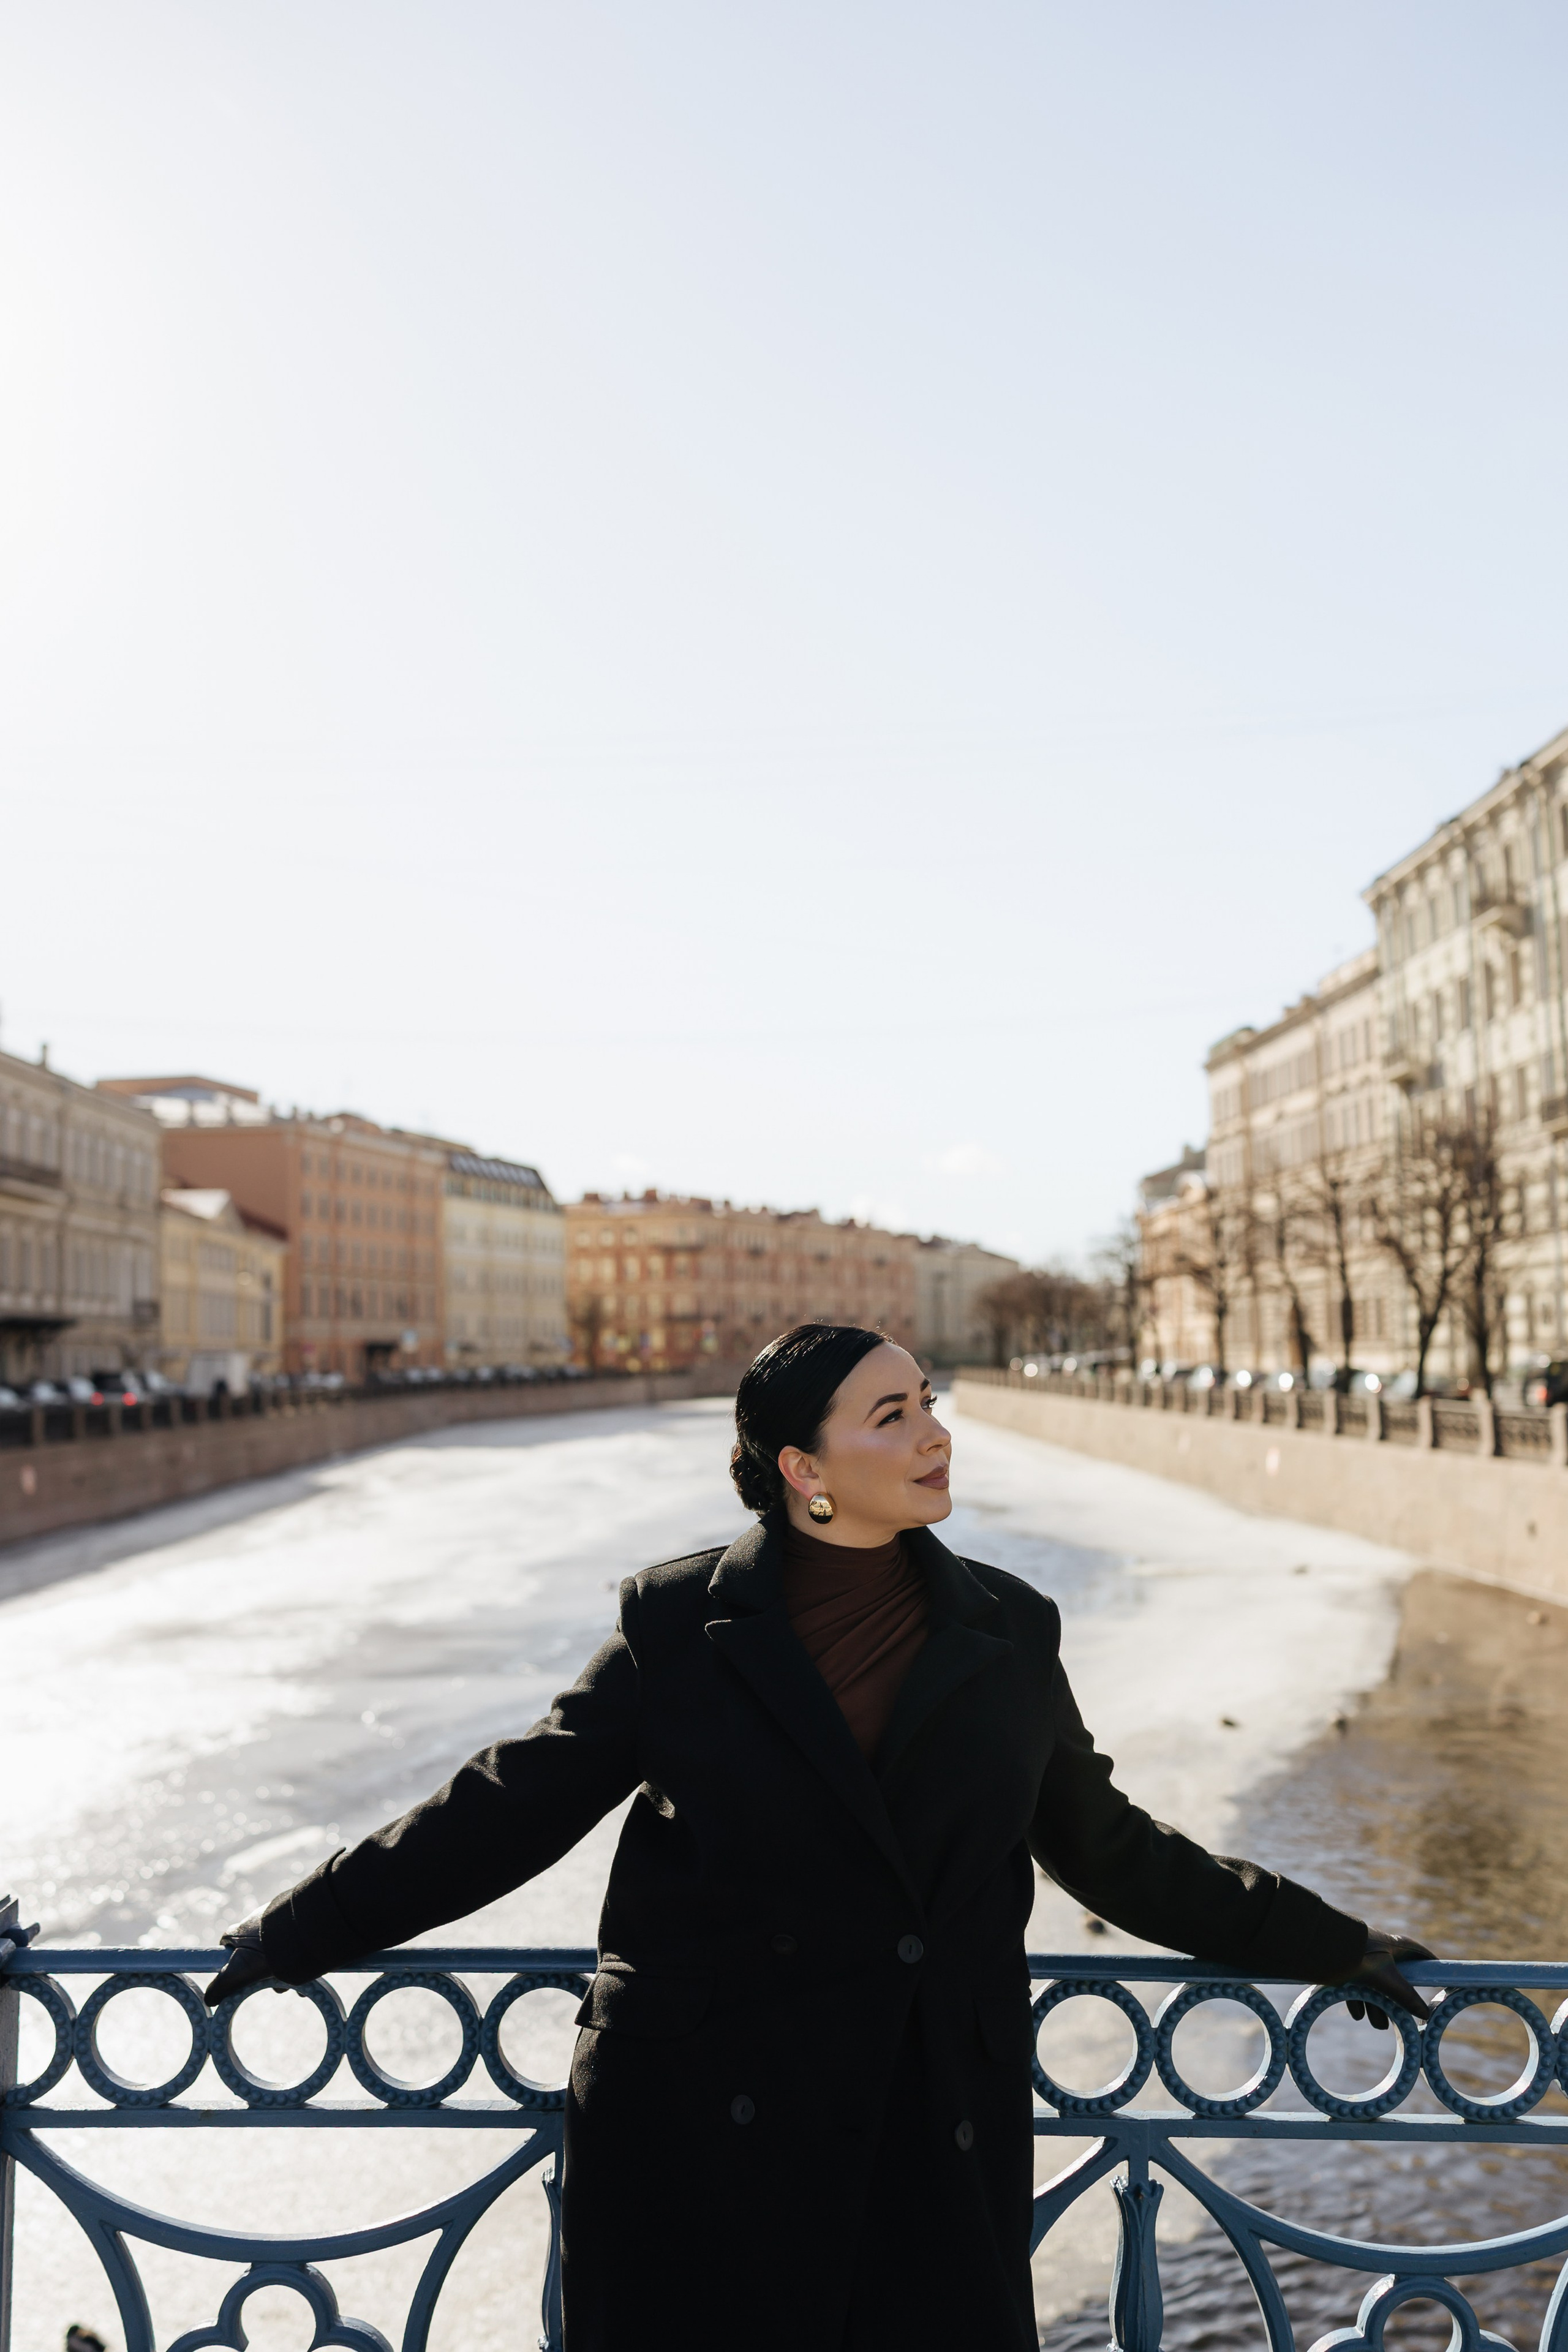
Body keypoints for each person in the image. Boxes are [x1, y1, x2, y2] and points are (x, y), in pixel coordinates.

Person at [204, 1323, 1431, 2352]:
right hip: (702, 2127)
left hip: (929, 2116)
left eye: (929, 1404)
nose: (934, 1435)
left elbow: (1107, 1848)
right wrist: (310, 1926)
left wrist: (1319, 1940)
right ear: (802, 1467)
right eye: (890, 1415)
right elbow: (511, 1803)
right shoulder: (683, 1624)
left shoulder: (1008, 1628)